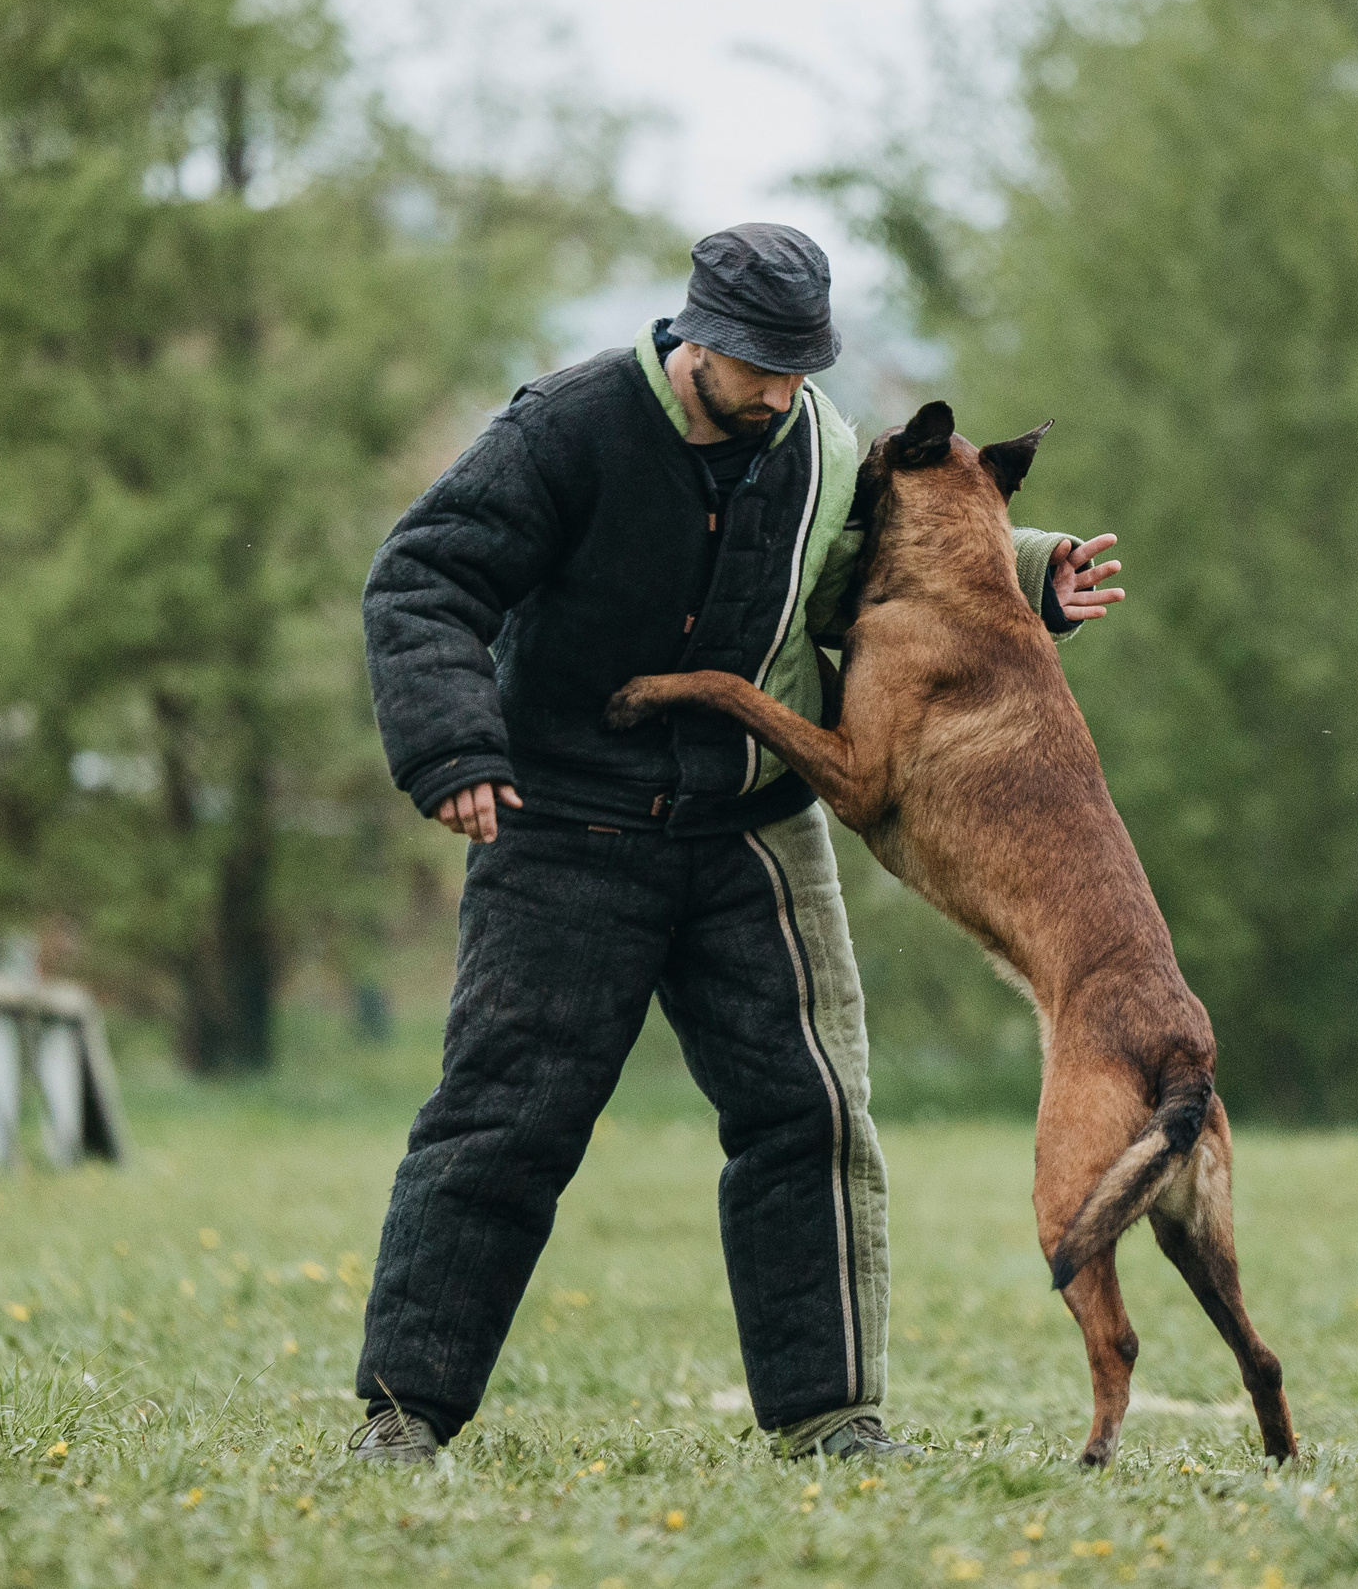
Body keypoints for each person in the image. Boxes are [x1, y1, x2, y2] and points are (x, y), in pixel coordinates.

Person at [349, 223, 1125, 1463]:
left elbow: (859, 583)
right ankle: (404, 1417)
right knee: (505, 1119)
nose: (777, 391)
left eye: (795, 366)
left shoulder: (815, 443)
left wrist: (1028, 575)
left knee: (806, 1116)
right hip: (563, 822)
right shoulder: (567, 427)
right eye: (757, 364)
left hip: (748, 832)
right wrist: (455, 751)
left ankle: (832, 1420)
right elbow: (425, 577)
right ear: (694, 332)